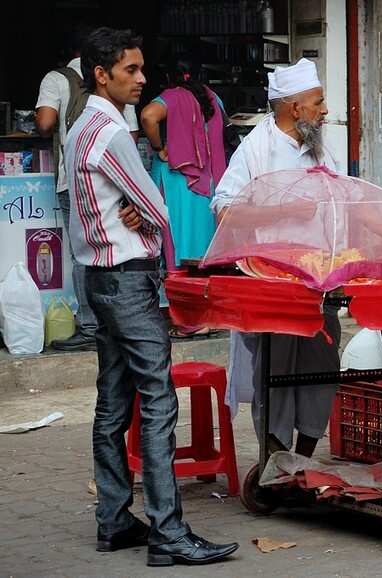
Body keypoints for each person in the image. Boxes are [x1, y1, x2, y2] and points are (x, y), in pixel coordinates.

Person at [65, 26, 238, 566]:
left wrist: (140, 210)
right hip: (129, 280)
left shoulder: (79, 129)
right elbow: (158, 208)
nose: (142, 79)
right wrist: (146, 213)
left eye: (142, 69)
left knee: (113, 404)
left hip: (97, 277)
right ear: (102, 74)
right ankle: (168, 531)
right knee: (158, 400)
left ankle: (115, 520)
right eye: (131, 71)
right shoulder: (111, 134)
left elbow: (113, 202)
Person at [210, 58, 343, 457]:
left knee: (322, 362)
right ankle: (274, 456)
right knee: (275, 367)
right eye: (318, 102)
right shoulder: (257, 149)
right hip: (272, 283)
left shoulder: (322, 150)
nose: (325, 111)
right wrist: (284, 211)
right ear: (294, 108)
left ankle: (302, 458)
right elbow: (224, 209)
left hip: (320, 279)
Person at [35, 22, 139, 352]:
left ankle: (91, 325)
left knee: (84, 251)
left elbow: (45, 123)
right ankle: (117, 321)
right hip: (115, 178)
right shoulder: (121, 80)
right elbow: (132, 137)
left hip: (74, 179)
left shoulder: (55, 78)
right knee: (116, 244)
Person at [140, 52, 226, 338]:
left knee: (176, 249)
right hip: (210, 184)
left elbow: (148, 116)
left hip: (178, 183)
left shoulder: (171, 96)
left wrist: (159, 148)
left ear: (168, 76)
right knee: (206, 250)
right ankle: (209, 316)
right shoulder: (213, 98)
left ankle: (188, 322)